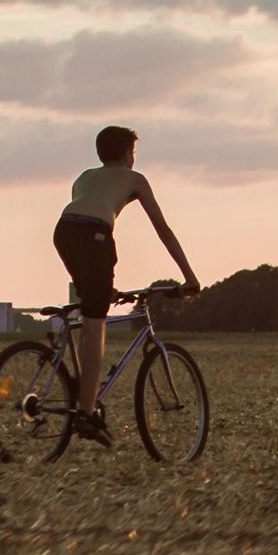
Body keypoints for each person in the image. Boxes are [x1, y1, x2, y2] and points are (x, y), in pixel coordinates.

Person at [53, 125, 200, 447]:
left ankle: (81, 391)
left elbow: (81, 218)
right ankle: (87, 413)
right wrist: (189, 276)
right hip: (95, 234)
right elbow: (163, 229)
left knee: (92, 306)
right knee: (96, 324)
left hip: (63, 231)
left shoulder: (83, 178)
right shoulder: (135, 179)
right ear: (126, 154)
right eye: (133, 153)